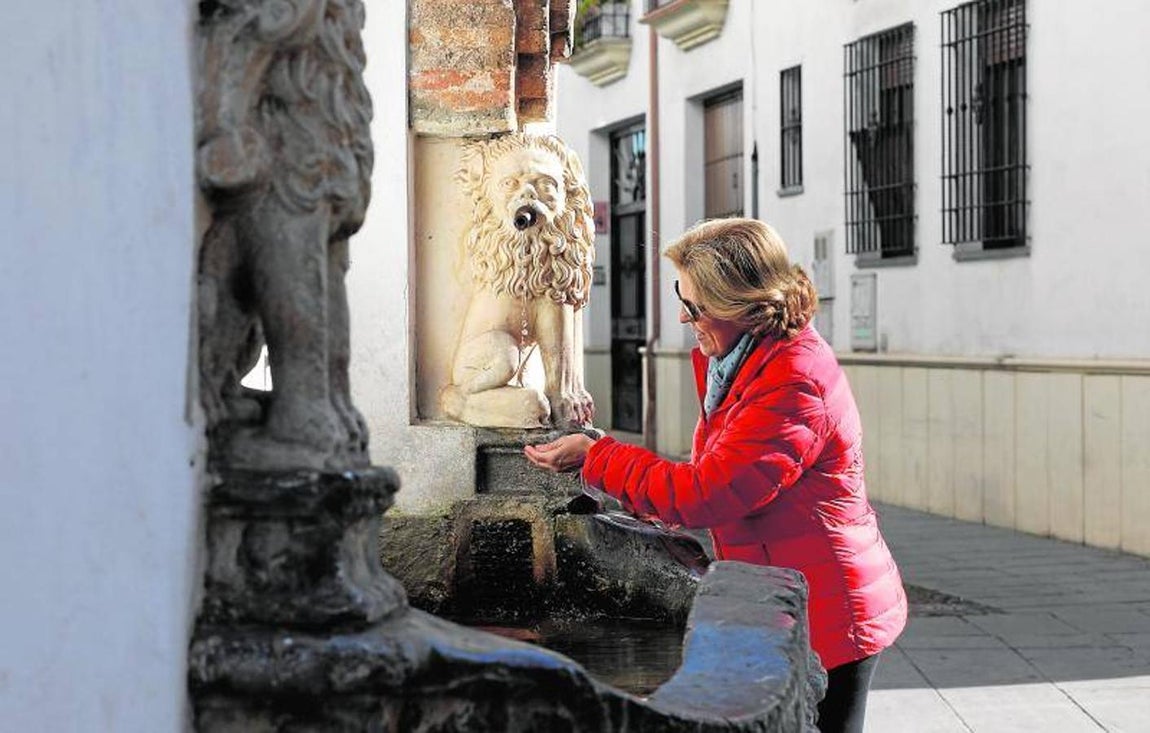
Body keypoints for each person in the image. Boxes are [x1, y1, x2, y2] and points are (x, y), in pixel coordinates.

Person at [525, 218, 906, 733]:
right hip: (796, 587)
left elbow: (708, 493)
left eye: (694, 307)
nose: (686, 319)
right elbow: (715, 477)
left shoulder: (792, 381)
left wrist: (598, 457)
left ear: (739, 305)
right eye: (682, 302)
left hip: (830, 606)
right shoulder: (746, 359)